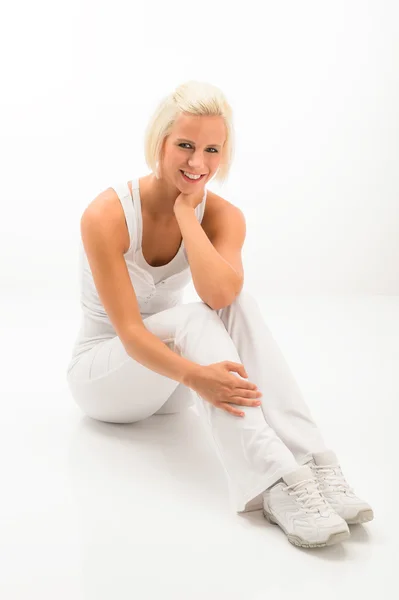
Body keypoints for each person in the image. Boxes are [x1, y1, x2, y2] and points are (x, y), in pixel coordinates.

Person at [66, 80, 374, 549]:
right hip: (104, 379)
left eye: (212, 150)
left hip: (171, 384)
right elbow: (129, 333)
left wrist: (189, 217)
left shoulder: (223, 216)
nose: (197, 162)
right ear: (160, 143)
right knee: (193, 319)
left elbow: (222, 294)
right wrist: (197, 378)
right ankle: (273, 483)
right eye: (185, 146)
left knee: (236, 302)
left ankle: (313, 463)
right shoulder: (105, 215)